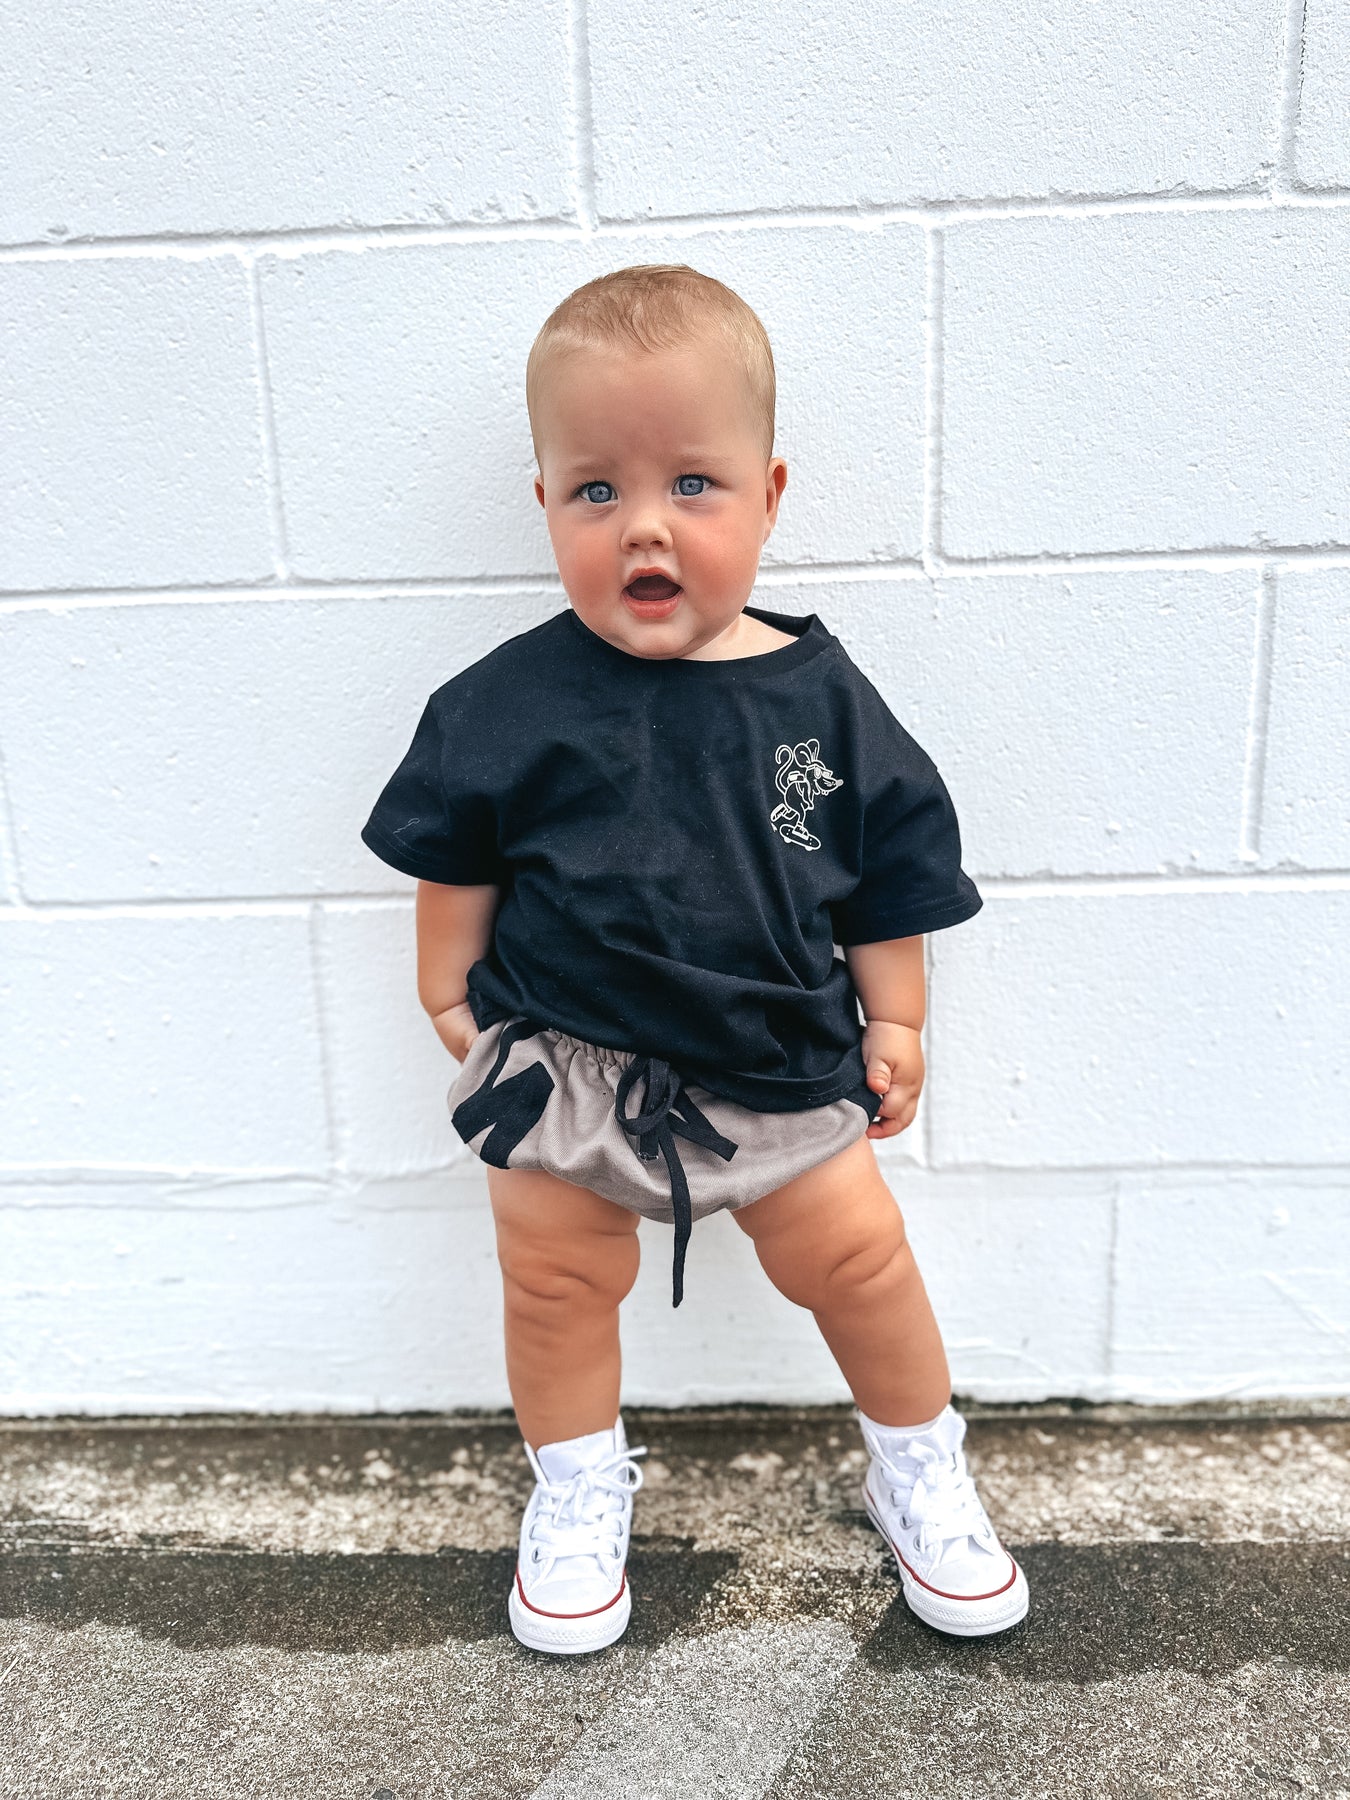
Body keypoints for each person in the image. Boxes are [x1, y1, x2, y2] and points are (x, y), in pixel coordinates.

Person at [360, 264, 1028, 1656]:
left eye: (693, 485)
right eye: (596, 490)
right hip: (566, 1062)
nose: (644, 525)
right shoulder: (505, 704)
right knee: (553, 1280)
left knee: (860, 1262)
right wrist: (447, 994)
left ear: (768, 497)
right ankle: (574, 1488)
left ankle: (917, 1465)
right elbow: (455, 857)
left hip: (777, 1056)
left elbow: (885, 881)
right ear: (545, 503)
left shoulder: (820, 702)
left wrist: (896, 1022)